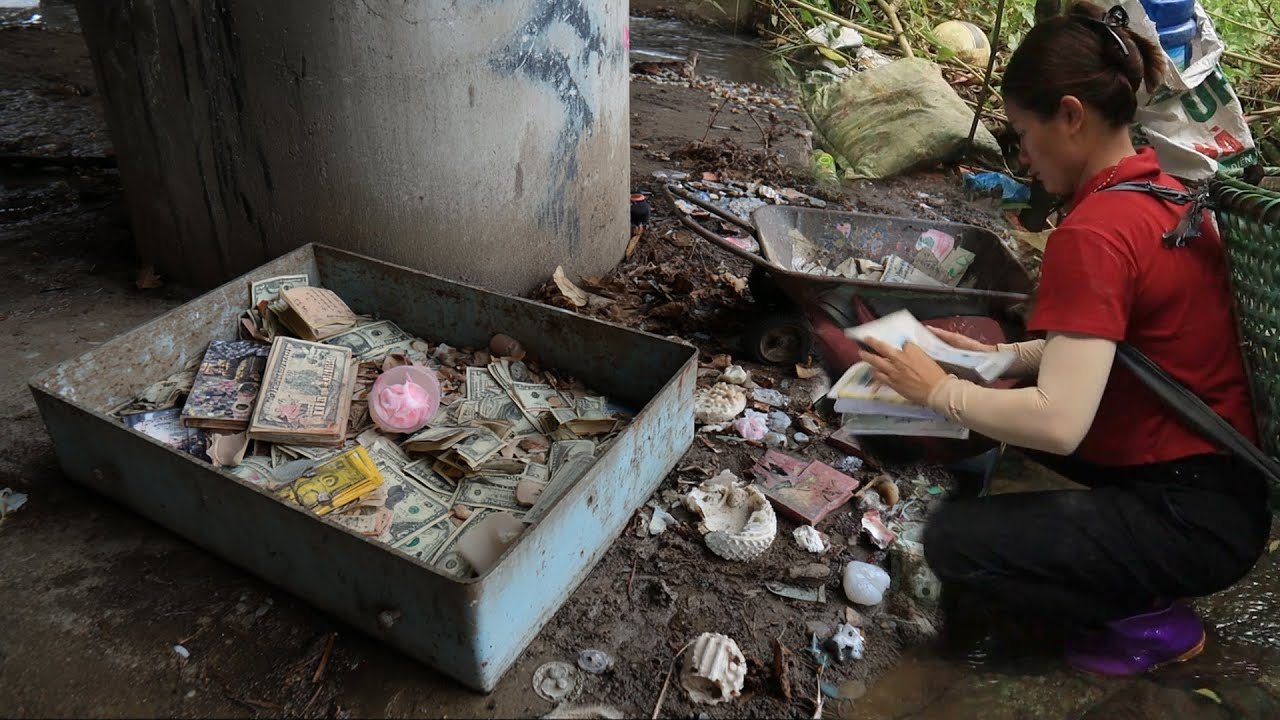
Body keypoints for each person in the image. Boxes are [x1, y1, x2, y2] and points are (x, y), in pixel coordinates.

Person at [858, 2, 1271, 676]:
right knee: (1003, 381)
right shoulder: (1163, 190)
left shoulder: (1098, 230)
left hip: (1193, 517)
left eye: (1023, 132)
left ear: (1072, 116)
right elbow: (1123, 347)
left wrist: (940, 390)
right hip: (1222, 486)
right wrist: (999, 357)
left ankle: (1145, 621)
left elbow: (1059, 424)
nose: (1021, 153)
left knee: (951, 544)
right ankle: (1119, 570)